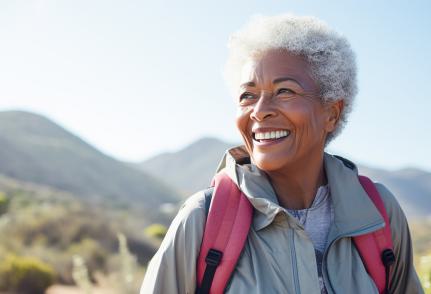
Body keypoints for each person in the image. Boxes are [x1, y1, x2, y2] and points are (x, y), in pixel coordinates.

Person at [140, 14, 424, 294]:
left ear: (332, 114)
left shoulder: (378, 213)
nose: (260, 110)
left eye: (285, 91)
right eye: (247, 95)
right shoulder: (202, 219)